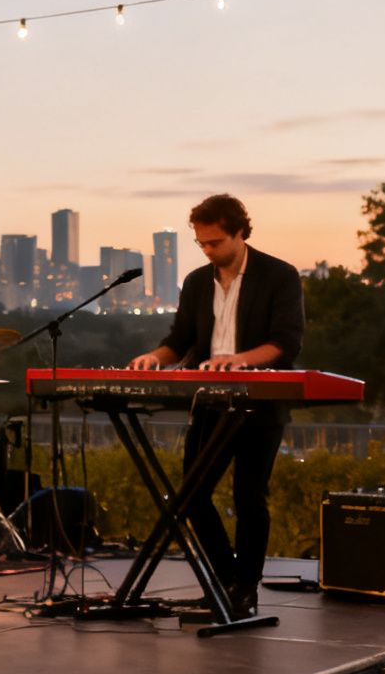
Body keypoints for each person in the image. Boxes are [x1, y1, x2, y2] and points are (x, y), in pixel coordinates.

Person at [129, 194, 304, 616]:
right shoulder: (195, 281)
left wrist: (238, 360)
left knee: (249, 497)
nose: (208, 251)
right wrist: (155, 358)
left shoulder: (279, 275)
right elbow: (180, 341)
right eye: (201, 244)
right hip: (210, 402)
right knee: (191, 495)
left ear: (240, 233)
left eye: (216, 242)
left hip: (260, 402)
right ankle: (226, 578)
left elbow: (286, 343)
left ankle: (246, 589)